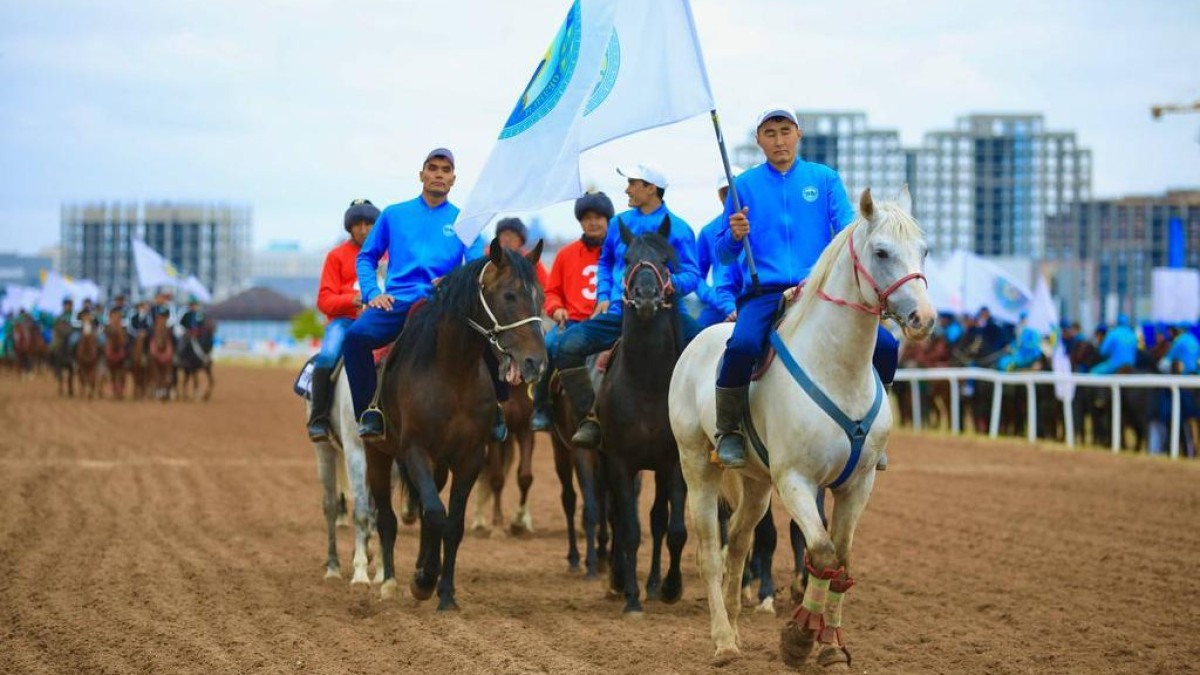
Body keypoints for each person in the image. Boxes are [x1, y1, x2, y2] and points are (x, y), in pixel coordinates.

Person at [710, 105, 900, 469]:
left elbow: (849, 231)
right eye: (770, 133)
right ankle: (728, 430)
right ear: (758, 141)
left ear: (798, 134)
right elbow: (721, 252)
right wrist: (734, 237)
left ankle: (875, 429)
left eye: (785, 131)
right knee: (741, 347)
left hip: (819, 291)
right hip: (764, 293)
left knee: (887, 345)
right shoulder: (743, 186)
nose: (779, 140)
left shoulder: (825, 179)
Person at [344, 148, 489, 440]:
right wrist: (373, 292)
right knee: (354, 337)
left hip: (443, 305)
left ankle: (494, 410)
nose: (438, 174)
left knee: (489, 335)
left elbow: (477, 266)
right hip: (397, 301)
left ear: (453, 179)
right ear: (421, 175)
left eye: (445, 170)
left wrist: (452, 280)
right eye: (433, 168)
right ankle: (369, 414)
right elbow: (366, 257)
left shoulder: (466, 221)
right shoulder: (394, 214)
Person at [557, 163, 702, 450]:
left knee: (709, 352)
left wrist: (673, 283)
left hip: (668, 318)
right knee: (567, 346)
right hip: (620, 315)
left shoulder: (680, 229)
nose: (627, 189)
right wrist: (603, 296)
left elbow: (693, 273)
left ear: (651, 188)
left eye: (633, 183)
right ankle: (590, 418)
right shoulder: (617, 225)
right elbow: (605, 262)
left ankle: (705, 428)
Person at [529, 192, 613, 431]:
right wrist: (556, 310)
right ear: (580, 221)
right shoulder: (565, 254)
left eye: (598, 217)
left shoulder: (618, 253)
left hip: (609, 324)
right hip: (573, 323)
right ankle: (541, 406)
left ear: (608, 219)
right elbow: (551, 291)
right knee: (547, 345)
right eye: (587, 217)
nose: (593, 222)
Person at [306, 199, 380, 441]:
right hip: (345, 321)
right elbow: (324, 300)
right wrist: (354, 300)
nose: (364, 229)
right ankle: (319, 418)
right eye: (358, 223)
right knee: (327, 355)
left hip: (382, 319)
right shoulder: (335, 257)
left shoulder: (389, 254)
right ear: (349, 227)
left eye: (369, 223)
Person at [694, 170, 741, 328]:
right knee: (691, 341)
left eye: (734, 191)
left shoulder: (759, 227)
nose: (730, 197)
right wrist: (711, 295)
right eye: (725, 192)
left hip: (751, 303)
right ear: (719, 196)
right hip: (717, 307)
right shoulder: (708, 231)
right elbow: (696, 275)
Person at [494, 218, 549, 289]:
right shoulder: (491, 261)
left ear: (521, 241)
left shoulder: (532, 262)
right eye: (503, 235)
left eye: (511, 236)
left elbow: (547, 288)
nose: (507, 240)